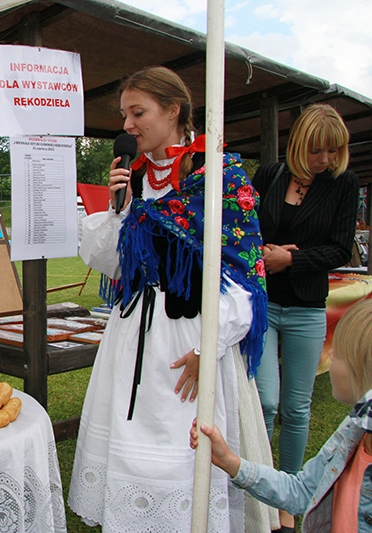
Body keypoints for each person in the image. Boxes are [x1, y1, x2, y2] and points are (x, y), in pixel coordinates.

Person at [69, 66, 271, 532]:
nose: (127, 125)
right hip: (131, 334)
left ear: (174, 110)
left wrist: (207, 348)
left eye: (138, 113)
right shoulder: (135, 179)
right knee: (128, 439)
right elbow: (110, 263)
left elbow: (245, 278)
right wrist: (118, 209)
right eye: (125, 115)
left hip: (193, 335)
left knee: (185, 446)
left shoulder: (219, 177)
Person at [252, 104, 359, 531]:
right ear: (299, 144)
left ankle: (287, 496)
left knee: (296, 408)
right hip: (262, 304)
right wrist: (265, 253)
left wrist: (292, 259)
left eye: (334, 151)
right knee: (265, 402)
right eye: (318, 150)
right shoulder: (269, 175)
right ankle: (257, 489)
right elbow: (243, 228)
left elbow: (340, 248)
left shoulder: (343, 183)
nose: (326, 160)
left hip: (307, 307)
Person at [192, 298, 372, 533]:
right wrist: (231, 462)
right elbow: (301, 492)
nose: (331, 353)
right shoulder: (352, 431)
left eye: (340, 354)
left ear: (362, 369)